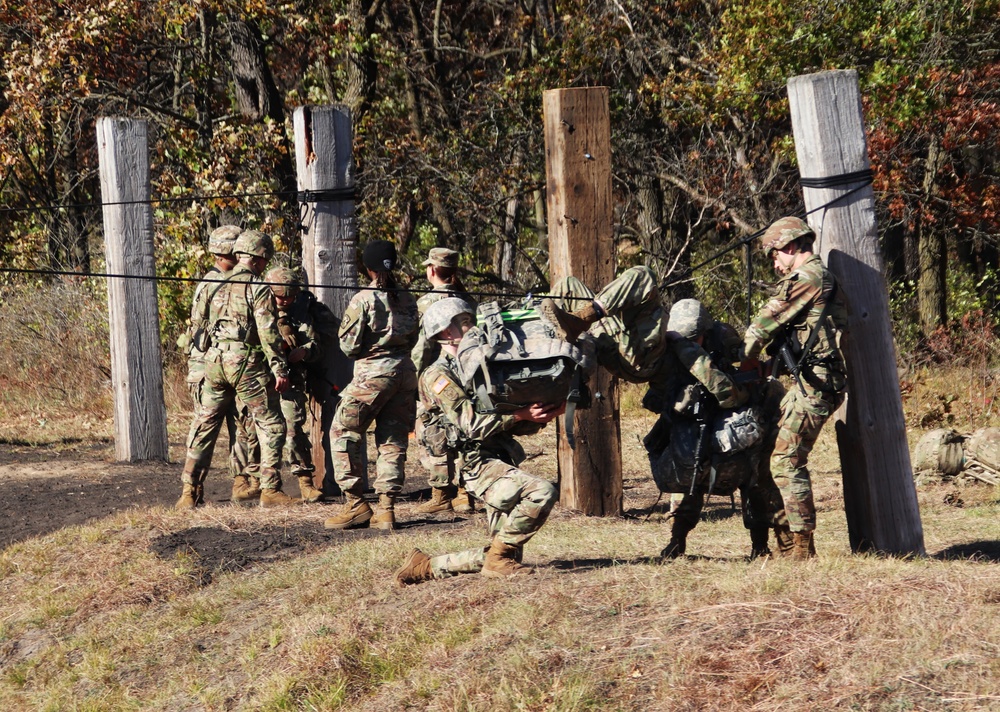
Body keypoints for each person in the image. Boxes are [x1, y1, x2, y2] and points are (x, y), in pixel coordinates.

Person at [394, 298, 563, 584]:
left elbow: (504, 419)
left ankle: (426, 567)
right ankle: (495, 559)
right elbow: (470, 425)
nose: (473, 328)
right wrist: (521, 415)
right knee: (542, 492)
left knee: (505, 555)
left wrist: (539, 414)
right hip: (473, 462)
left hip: (498, 455)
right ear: (446, 333)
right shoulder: (438, 375)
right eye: (465, 323)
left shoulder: (480, 366)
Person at [741, 216, 849, 560]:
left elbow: (762, 324)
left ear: (789, 247)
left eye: (775, 254)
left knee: (787, 459)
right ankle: (789, 541)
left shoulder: (807, 277)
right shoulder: (814, 277)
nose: (774, 263)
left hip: (817, 384)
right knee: (775, 451)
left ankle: (802, 549)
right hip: (810, 381)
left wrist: (743, 362)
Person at [648, 299, 789, 559]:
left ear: (705, 331)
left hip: (731, 413)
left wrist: (750, 370)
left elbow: (734, 380)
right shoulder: (667, 347)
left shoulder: (722, 336)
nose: (689, 344)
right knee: (689, 477)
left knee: (753, 476)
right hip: (692, 420)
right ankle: (676, 540)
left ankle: (760, 545)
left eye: (694, 339)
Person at [177, 229, 299, 509]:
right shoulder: (258, 288)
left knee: (204, 425)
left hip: (213, 363)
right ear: (259, 259)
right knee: (271, 423)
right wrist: (280, 369)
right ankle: (270, 489)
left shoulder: (212, 284)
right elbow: (268, 334)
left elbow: (198, 326)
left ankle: (189, 492)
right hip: (245, 363)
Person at [324, 240, 419, 531]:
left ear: (368, 267)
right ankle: (386, 509)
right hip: (404, 373)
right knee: (393, 439)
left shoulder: (363, 299)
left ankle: (355, 504)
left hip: (371, 376)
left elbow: (349, 346)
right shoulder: (407, 297)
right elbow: (414, 337)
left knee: (343, 430)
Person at [179, 225, 257, 501]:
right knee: (205, 427)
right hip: (209, 366)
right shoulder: (213, 284)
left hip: (236, 364)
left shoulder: (239, 281)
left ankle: (242, 482)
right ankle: (191, 489)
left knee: (244, 423)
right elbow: (200, 334)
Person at [411, 247, 477, 515]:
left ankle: (442, 492)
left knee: (433, 428)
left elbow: (422, 346)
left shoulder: (427, 303)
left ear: (432, 270)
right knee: (466, 425)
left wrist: (414, 379)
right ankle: (465, 492)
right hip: (470, 370)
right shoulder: (468, 299)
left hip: (439, 372)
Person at [539, 265, 670, 391]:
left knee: (644, 274)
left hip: (642, 359)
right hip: (615, 345)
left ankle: (583, 318)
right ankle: (545, 354)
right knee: (568, 285)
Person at [265, 265, 324, 503]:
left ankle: (305, 482)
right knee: (256, 432)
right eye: (280, 295)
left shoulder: (300, 314)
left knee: (293, 431)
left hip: (291, 380)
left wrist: (304, 352)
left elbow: (315, 345)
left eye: (290, 295)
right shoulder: (257, 309)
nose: (285, 300)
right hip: (260, 379)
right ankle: (255, 483)